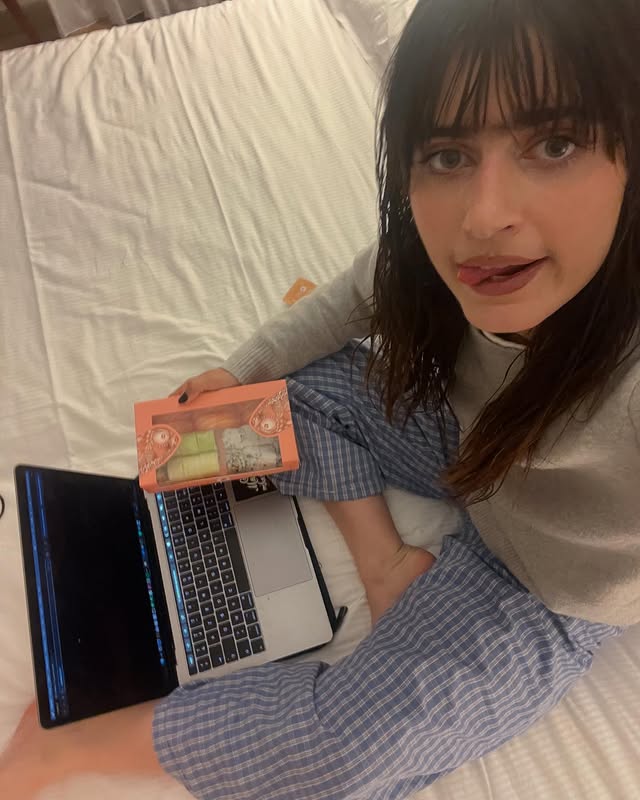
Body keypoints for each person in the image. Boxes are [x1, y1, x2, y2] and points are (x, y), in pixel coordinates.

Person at [2, 0, 639, 797]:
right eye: (447, 154)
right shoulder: (438, 241)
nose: (484, 215)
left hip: (546, 581)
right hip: (463, 441)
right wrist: (240, 371)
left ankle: (66, 744)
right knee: (211, 425)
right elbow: (350, 298)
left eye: (555, 143)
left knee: (353, 757)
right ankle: (383, 561)